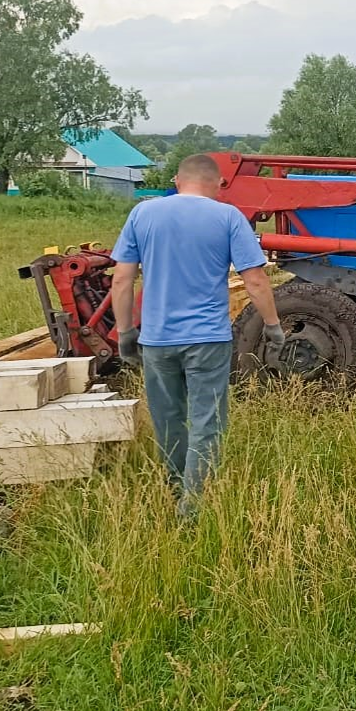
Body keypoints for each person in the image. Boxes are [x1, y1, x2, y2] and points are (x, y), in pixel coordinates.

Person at [110, 153, 285, 509]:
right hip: (208, 339)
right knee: (207, 419)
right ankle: (193, 504)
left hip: (157, 340)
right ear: (220, 184)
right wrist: (273, 326)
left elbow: (122, 279)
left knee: (168, 418)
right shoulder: (228, 217)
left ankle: (176, 488)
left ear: (177, 180)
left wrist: (125, 332)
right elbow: (255, 280)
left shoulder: (143, 213)